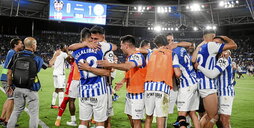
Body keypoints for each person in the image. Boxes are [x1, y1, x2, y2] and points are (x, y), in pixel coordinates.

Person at [97, 35, 146, 128]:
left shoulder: (137, 56)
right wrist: (123, 81)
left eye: (121, 45)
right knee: (130, 116)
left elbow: (128, 66)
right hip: (130, 92)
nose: (120, 47)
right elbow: (130, 71)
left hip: (138, 93)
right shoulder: (130, 56)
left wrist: (110, 64)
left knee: (136, 120)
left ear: (126, 45)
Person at [71, 27, 116, 128]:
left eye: (96, 38)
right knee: (101, 122)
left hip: (84, 90)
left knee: (83, 122)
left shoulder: (77, 51)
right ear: (89, 38)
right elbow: (108, 71)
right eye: (93, 38)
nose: (94, 41)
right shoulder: (101, 47)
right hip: (99, 89)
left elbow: (70, 48)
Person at [192, 34, 237, 128]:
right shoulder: (213, 57)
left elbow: (213, 73)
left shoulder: (224, 57)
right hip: (214, 90)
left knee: (223, 119)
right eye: (214, 43)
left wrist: (199, 66)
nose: (215, 45)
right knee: (212, 117)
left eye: (218, 44)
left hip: (225, 92)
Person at [6, 37, 44, 128]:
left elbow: (9, 72)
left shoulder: (16, 55)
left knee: (16, 110)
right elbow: (44, 67)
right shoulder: (37, 58)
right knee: (34, 113)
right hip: (31, 89)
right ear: (33, 45)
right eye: (36, 44)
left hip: (17, 88)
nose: (36, 46)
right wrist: (55, 57)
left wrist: (10, 85)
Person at [143, 35, 176, 128]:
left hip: (149, 87)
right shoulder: (171, 54)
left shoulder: (150, 54)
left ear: (156, 43)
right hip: (163, 88)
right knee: (160, 117)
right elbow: (177, 73)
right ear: (166, 42)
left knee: (148, 117)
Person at [172, 43, 200, 128]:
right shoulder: (185, 53)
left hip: (186, 86)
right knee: (192, 113)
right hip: (194, 83)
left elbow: (178, 74)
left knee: (181, 115)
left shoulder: (175, 55)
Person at [0, 38, 23, 127]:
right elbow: (10, 69)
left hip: (5, 77)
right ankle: (7, 121)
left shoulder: (11, 52)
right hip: (7, 78)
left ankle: (2, 118)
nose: (22, 45)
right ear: (15, 45)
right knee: (12, 99)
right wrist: (9, 82)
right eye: (20, 43)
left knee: (9, 98)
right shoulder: (13, 53)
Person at [51, 43, 69, 108]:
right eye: (65, 47)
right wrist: (67, 51)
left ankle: (52, 104)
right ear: (63, 48)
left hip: (55, 73)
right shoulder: (64, 54)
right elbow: (70, 60)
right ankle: (61, 106)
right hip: (60, 74)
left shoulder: (56, 52)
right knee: (61, 89)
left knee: (56, 89)